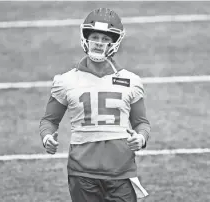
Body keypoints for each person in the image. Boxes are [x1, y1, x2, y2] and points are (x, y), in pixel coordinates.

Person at [39, 8, 151, 202]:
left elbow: (142, 123)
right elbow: (49, 120)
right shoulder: (66, 81)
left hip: (121, 173)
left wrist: (141, 138)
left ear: (114, 43)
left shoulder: (131, 81)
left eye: (105, 39)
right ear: (86, 38)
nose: (99, 43)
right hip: (82, 174)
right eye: (95, 37)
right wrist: (47, 137)